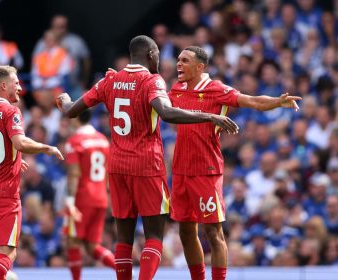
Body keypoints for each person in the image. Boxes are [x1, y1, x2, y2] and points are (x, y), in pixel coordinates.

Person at [56, 35, 238, 280]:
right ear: (151, 55)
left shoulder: (109, 80)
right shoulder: (152, 81)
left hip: (118, 166)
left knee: (123, 237)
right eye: (159, 56)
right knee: (154, 235)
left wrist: (66, 99)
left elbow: (69, 110)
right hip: (146, 165)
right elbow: (167, 113)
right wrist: (209, 116)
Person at [168, 46, 301, 280]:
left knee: (213, 231)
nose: (179, 64)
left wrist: (278, 102)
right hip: (180, 170)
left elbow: (252, 101)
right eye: (178, 59)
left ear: (200, 66)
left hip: (206, 171)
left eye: (185, 60)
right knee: (186, 232)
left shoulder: (215, 89)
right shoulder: (176, 89)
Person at [0, 65, 64, 280]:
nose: (20, 87)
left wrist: (7, 159)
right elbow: (19, 143)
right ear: (3, 86)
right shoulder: (10, 111)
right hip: (3, 195)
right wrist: (46, 147)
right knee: (7, 253)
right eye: (16, 83)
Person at [63, 109, 115, 279]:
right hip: (100, 196)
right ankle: (126, 272)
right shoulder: (103, 140)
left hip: (82, 198)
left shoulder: (74, 142)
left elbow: (74, 175)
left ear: (76, 118)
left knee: (72, 240)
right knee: (92, 246)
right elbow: (107, 172)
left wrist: (70, 201)